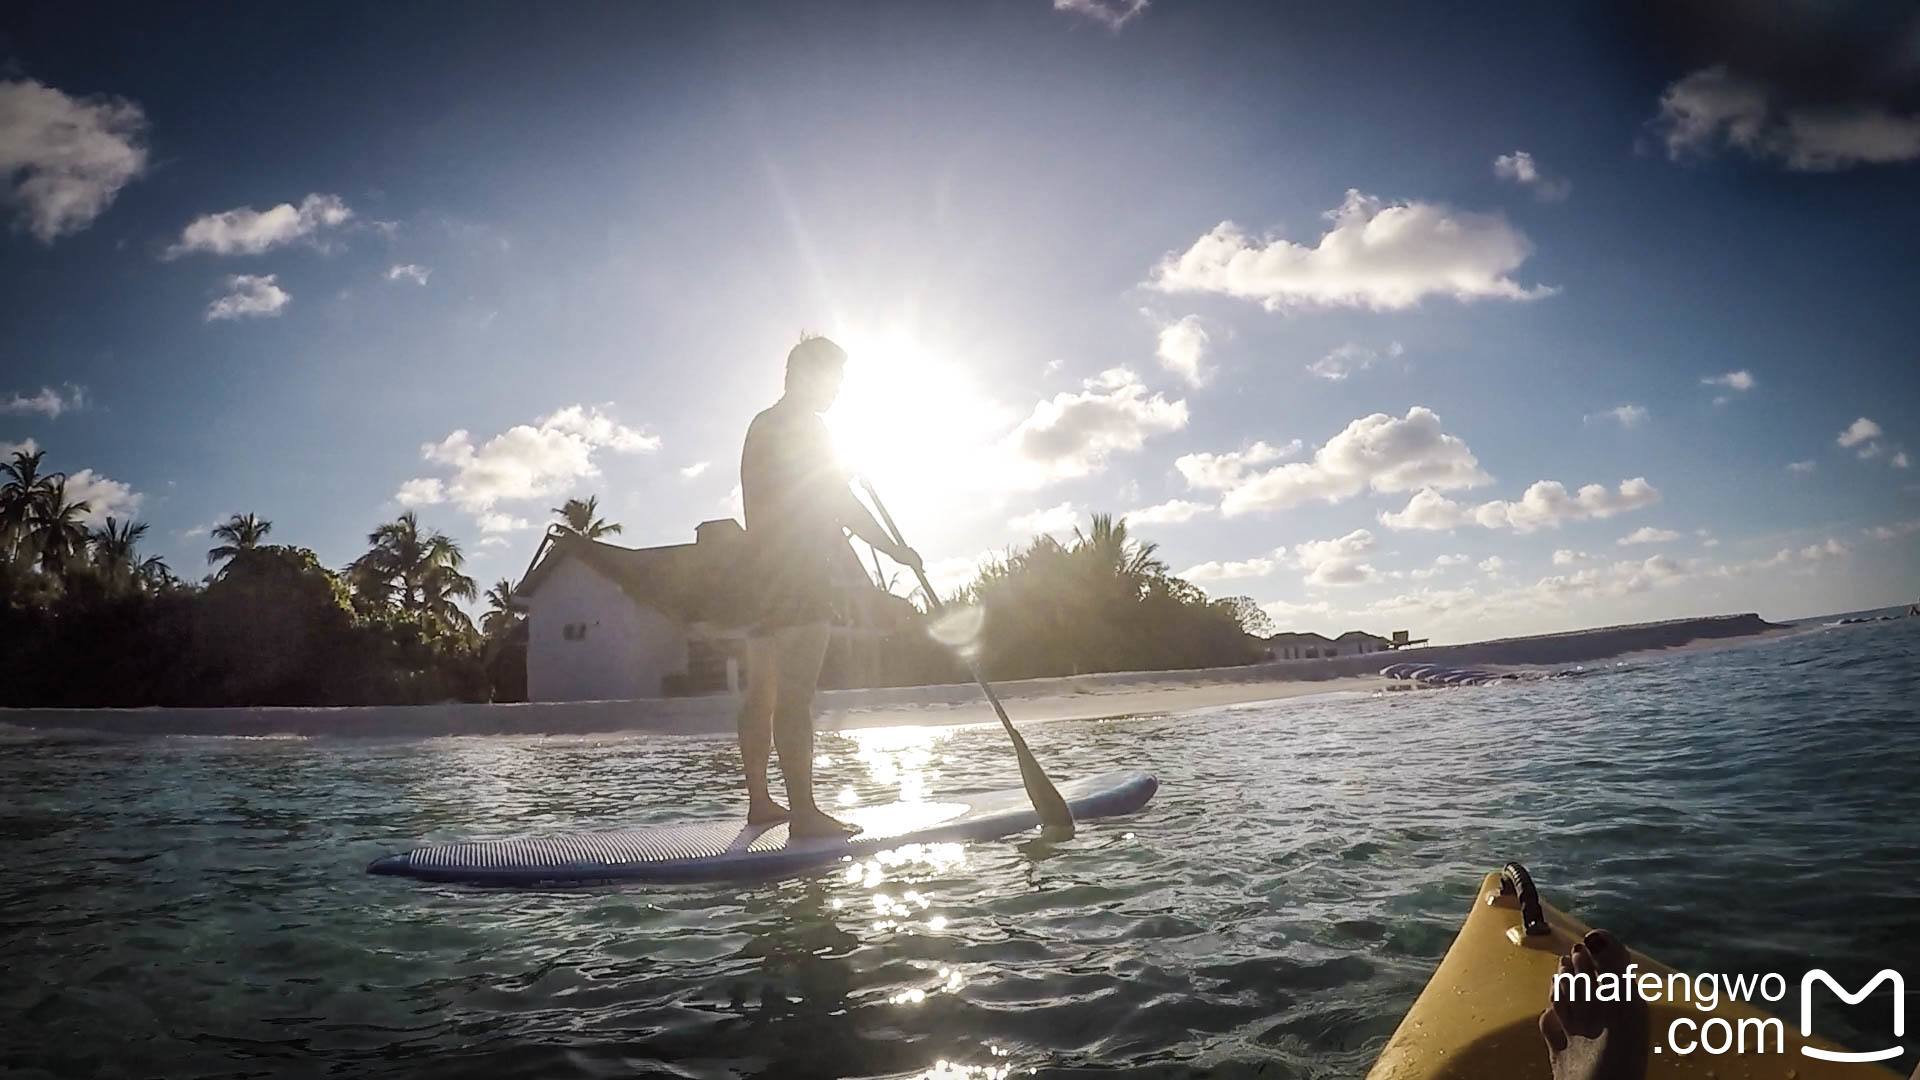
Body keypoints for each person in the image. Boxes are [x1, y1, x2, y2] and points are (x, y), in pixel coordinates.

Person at [735, 334, 921, 838]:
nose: (837, 391)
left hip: (757, 577)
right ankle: (806, 814)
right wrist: (896, 551)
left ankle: (759, 801)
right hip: (797, 575)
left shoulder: (762, 424)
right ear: (806, 375)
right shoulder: (808, 429)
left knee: (762, 694)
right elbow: (838, 505)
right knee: (794, 698)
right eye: (834, 380)